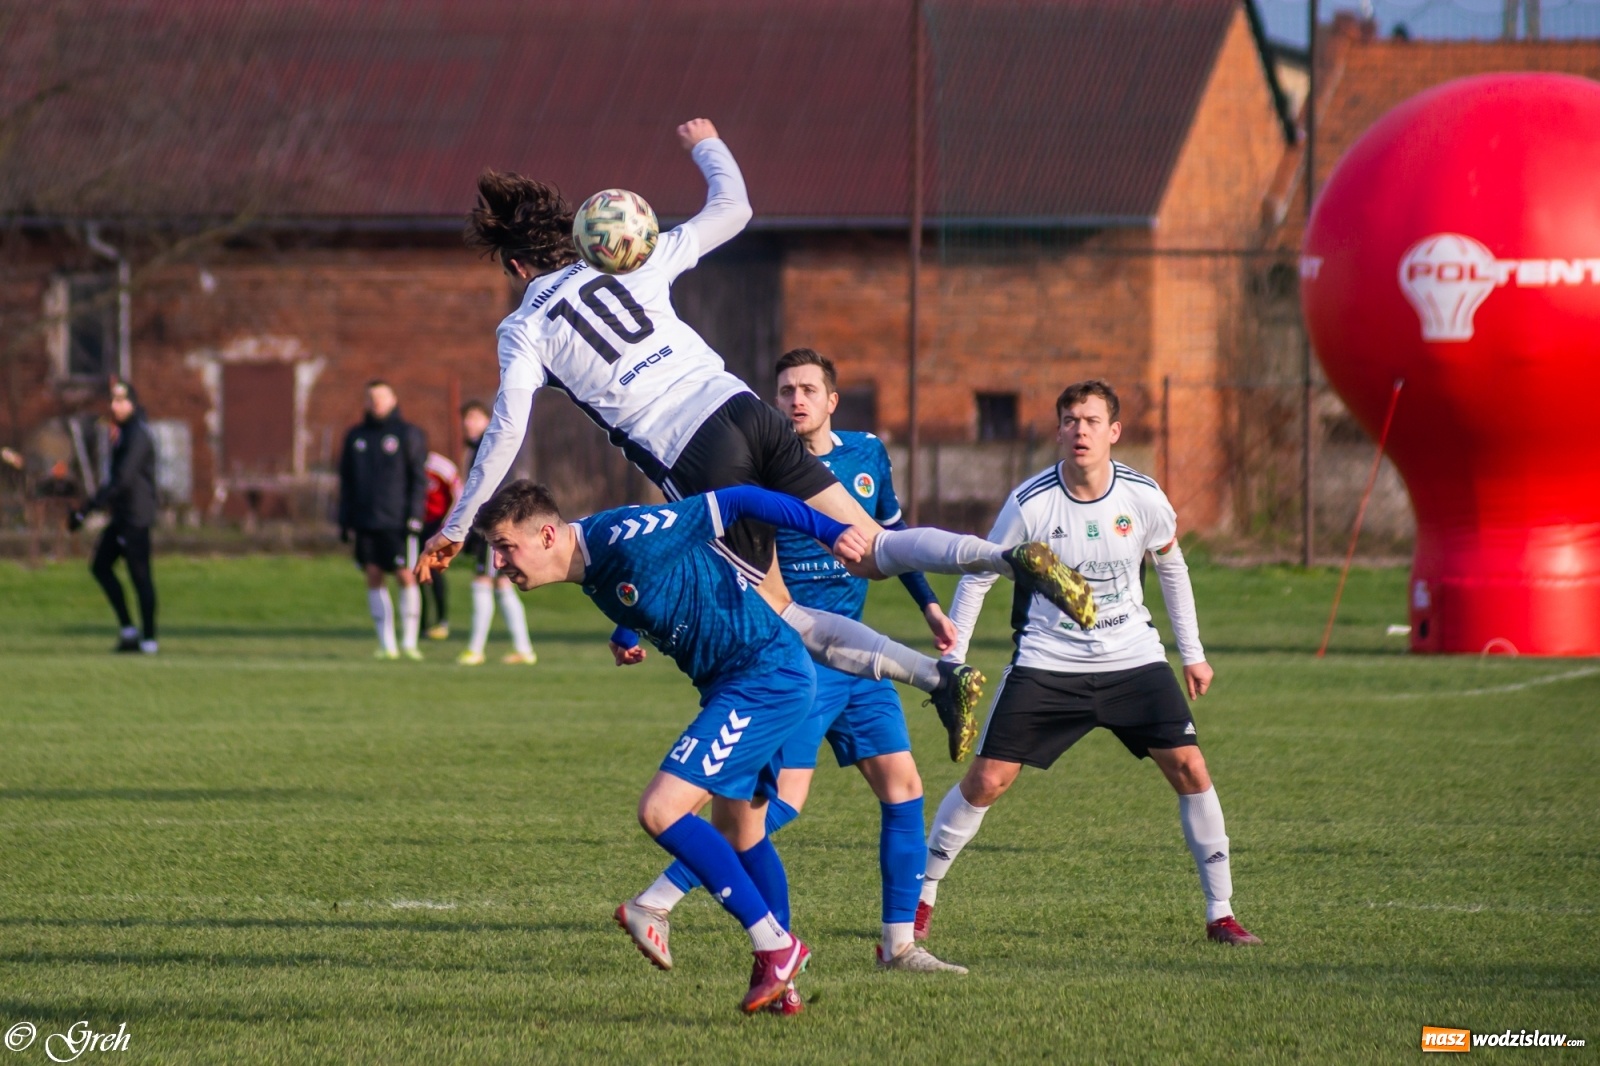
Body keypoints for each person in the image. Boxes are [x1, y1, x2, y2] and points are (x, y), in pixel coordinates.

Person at [417, 116, 1095, 755]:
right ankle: (1010, 560)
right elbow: (735, 208)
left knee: (784, 615)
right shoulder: (632, 263)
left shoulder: (523, 328)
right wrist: (707, 143)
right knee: (874, 545)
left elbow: (505, 429)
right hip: (747, 410)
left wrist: (456, 526)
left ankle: (941, 680)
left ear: (513, 269)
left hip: (699, 456)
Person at [617, 348, 968, 983]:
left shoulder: (866, 456)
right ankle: (661, 898)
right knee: (777, 803)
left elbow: (889, 533)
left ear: (833, 400)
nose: (795, 400)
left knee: (903, 787)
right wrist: (625, 620)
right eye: (784, 391)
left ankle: (897, 944)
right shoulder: (753, 461)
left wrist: (931, 605)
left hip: (859, 651)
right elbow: (680, 542)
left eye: (808, 389)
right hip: (792, 652)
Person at [472, 478, 883, 1013]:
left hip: (764, 675)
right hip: (743, 680)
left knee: (661, 810)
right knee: (741, 831)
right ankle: (785, 988)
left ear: (547, 535)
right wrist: (627, 632)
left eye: (506, 547)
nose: (500, 562)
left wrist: (833, 531)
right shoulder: (594, 565)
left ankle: (774, 947)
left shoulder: (625, 536)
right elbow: (645, 583)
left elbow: (737, 500)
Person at [915, 380, 1261, 951]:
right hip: (1048, 662)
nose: (1081, 430)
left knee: (1192, 770)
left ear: (1114, 432)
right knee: (987, 780)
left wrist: (1192, 653)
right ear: (1059, 431)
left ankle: (1221, 913)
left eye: (1092, 421)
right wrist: (953, 659)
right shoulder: (1030, 503)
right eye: (1071, 420)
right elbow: (979, 573)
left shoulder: (1143, 497)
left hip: (1133, 659)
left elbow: (1172, 570)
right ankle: (921, 898)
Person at [338, 380, 428, 660]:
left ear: (393, 399)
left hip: (398, 521)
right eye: (371, 398)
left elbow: (418, 479)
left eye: (382, 397)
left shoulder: (408, 434)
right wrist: (345, 520)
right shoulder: (355, 436)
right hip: (366, 520)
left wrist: (415, 515)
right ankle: (386, 644)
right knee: (374, 576)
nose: (376, 402)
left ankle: (409, 642)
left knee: (405, 575)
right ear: (366, 402)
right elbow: (347, 482)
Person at [69, 378, 158, 654]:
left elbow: (121, 480)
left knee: (140, 576)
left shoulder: (137, 435)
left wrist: (87, 509)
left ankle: (149, 640)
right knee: (100, 566)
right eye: (113, 400)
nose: (114, 406)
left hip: (136, 518)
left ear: (133, 402)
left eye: (120, 400)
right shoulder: (123, 432)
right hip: (121, 516)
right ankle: (129, 632)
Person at [454, 400, 536, 666]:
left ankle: (475, 650)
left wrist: (488, 525)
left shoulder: (489, 447)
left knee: (482, 581)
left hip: (493, 525)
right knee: (502, 584)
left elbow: (495, 489)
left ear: (487, 420)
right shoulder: (480, 447)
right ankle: (524, 649)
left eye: (475, 417)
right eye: (466, 418)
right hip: (496, 524)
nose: (469, 423)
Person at [421, 448, 461, 640]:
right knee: (416, 573)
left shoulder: (440, 467)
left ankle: (441, 620)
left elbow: (459, 494)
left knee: (435, 572)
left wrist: (449, 525)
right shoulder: (404, 461)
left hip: (436, 525)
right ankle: (421, 623)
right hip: (414, 524)